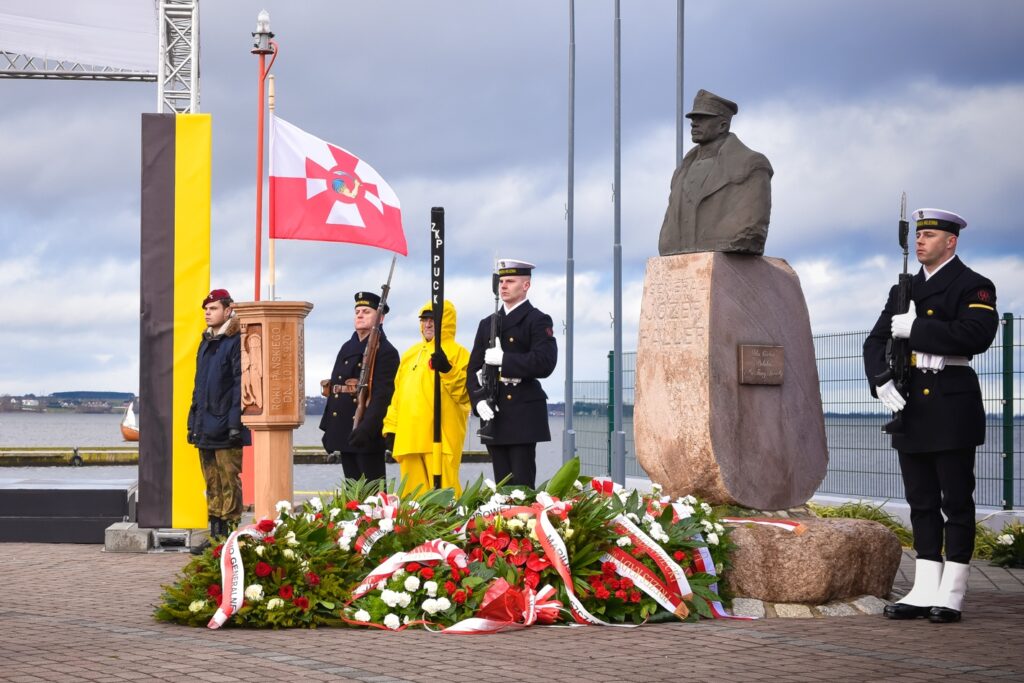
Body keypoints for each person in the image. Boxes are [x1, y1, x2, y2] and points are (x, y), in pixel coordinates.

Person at [863, 208, 999, 623]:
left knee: (955, 501)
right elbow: (876, 340)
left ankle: (952, 591)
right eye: (918, 235)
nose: (920, 241)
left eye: (930, 235)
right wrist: (880, 380)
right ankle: (923, 588)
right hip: (911, 405)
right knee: (920, 501)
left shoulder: (974, 285)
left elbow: (977, 337)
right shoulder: (903, 289)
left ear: (951, 241)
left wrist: (917, 329)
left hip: (951, 403)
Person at [466, 259, 558, 488]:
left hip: (522, 414)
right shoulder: (487, 324)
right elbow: (472, 369)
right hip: (494, 412)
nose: (503, 286)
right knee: (502, 486)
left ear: (526, 285)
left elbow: (545, 362)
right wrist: (477, 401)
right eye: (501, 281)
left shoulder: (537, 320)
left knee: (522, 486)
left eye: (511, 281)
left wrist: (505, 360)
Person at [658, 89, 773, 256]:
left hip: (726, 258)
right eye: (694, 119)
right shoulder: (682, 171)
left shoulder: (751, 164)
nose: (694, 123)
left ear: (722, 126)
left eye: (703, 119)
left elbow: (752, 226)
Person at [383, 301, 471, 495]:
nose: (428, 324)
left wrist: (448, 370)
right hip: (409, 440)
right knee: (412, 502)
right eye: (424, 320)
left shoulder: (459, 354)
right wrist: (390, 428)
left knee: (445, 498)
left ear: (445, 322)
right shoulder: (409, 355)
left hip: (441, 441)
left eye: (433, 320)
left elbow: (466, 396)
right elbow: (397, 396)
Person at [187, 288, 247, 554]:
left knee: (228, 479)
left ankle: (230, 535)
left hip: (226, 425)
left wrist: (235, 423)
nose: (207, 314)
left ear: (228, 309)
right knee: (211, 480)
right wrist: (193, 422)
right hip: (205, 424)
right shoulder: (206, 342)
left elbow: (239, 384)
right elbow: (199, 387)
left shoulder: (235, 340)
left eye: (212, 309)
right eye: (206, 310)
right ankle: (214, 533)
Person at [320, 292, 400, 482]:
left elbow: (382, 397)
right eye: (357, 311)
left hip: (367, 434)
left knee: (373, 494)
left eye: (366, 311)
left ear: (380, 318)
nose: (360, 315)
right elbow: (335, 389)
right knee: (353, 494)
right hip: (344, 429)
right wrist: (328, 428)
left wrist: (367, 428)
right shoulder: (346, 347)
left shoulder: (386, 351)